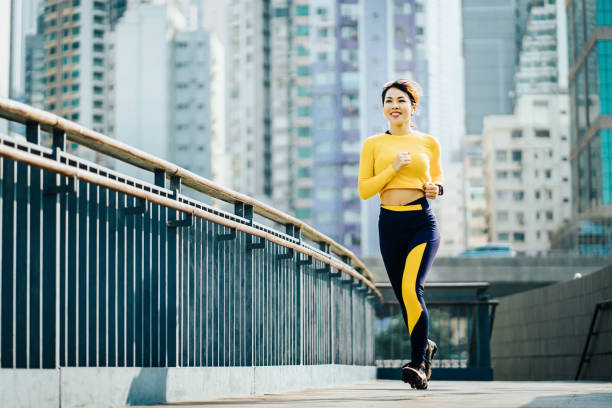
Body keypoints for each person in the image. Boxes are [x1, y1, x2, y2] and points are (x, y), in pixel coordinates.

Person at [358, 79, 444, 390]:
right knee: (404, 297)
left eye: (401, 100)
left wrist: (437, 188)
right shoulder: (373, 144)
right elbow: (365, 190)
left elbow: (437, 177)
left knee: (411, 287)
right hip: (389, 225)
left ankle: (419, 362)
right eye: (389, 100)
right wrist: (393, 168)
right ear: (383, 108)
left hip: (422, 222)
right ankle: (426, 346)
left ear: (413, 107)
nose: (395, 105)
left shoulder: (428, 142)